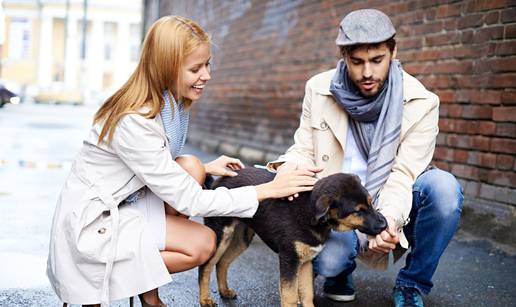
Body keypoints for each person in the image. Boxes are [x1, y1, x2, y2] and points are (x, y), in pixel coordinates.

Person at [46, 16, 318, 307]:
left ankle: (146, 293)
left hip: (123, 205)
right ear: (166, 68)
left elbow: (153, 162)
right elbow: (191, 201)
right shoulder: (136, 119)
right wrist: (266, 190)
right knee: (202, 245)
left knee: (191, 166)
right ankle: (95, 282)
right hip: (92, 225)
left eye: (207, 64)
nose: (207, 75)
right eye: (195, 68)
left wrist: (207, 167)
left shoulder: (169, 102)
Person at [267, 9, 463, 307]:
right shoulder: (319, 89)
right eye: (357, 62)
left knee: (445, 189)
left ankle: (412, 284)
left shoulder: (422, 101)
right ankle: (340, 272)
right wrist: (286, 169)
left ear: (393, 53)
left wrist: (391, 220)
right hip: (341, 207)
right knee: (331, 261)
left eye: (377, 60)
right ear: (343, 57)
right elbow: (303, 149)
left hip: (390, 199)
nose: (367, 73)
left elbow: (404, 174)